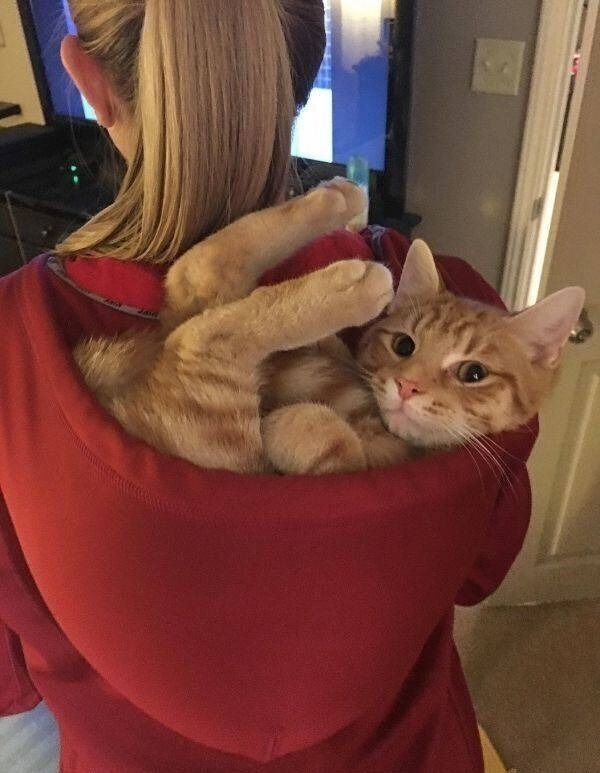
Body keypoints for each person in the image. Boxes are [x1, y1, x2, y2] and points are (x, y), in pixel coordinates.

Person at [0, 1, 536, 771]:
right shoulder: (448, 313)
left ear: (86, 79)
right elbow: (481, 569)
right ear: (308, 73)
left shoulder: (17, 345)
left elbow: (10, 677)